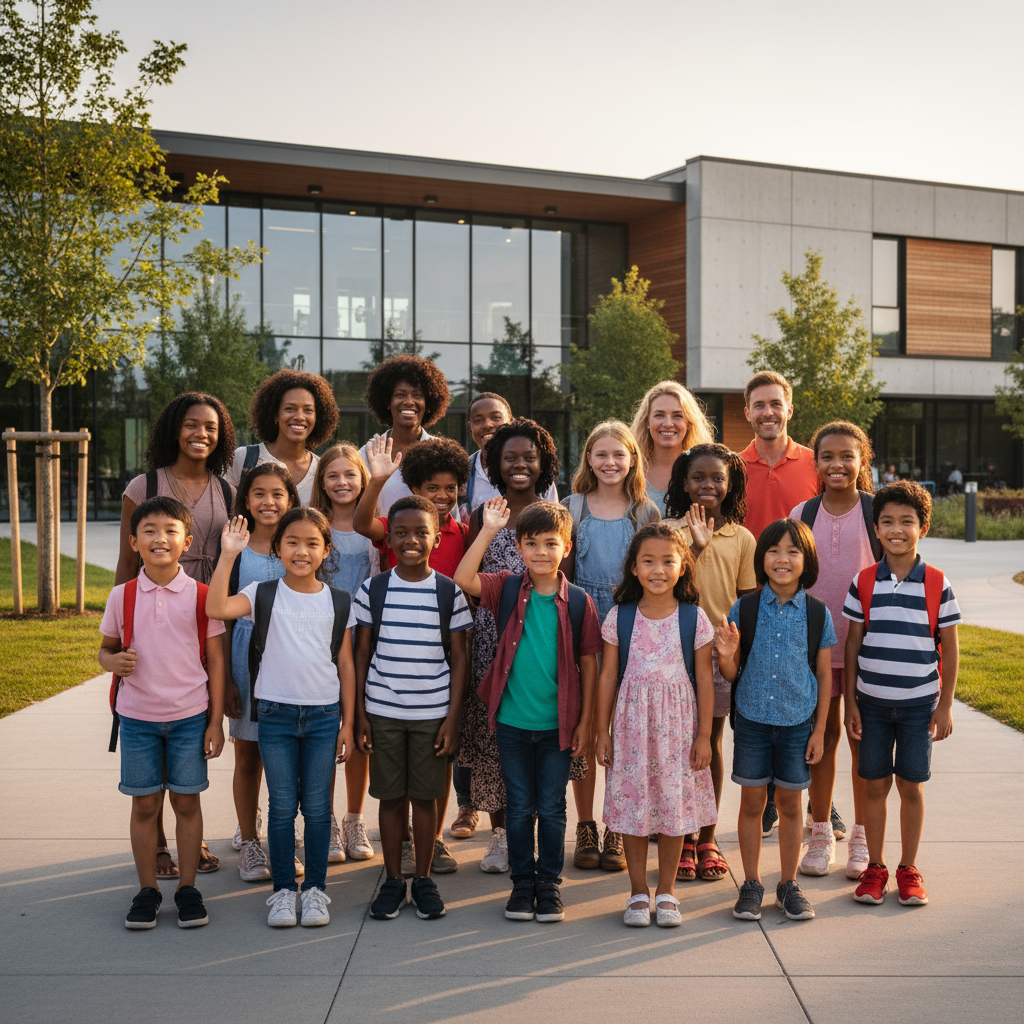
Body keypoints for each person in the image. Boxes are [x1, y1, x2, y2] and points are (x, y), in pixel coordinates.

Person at [207, 508, 358, 929]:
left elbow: (345, 664)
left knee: (316, 808)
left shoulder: (339, 601)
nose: (302, 551)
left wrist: (348, 721)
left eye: (312, 543)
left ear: (326, 550)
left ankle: (314, 891)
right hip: (274, 715)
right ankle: (282, 893)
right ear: (278, 548)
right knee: (279, 809)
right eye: (292, 542)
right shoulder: (261, 593)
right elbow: (217, 606)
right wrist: (227, 556)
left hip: (324, 717)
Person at [455, 499, 601, 924]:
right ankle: (522, 886)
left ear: (567, 548)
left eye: (550, 543)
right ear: (518, 548)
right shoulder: (503, 587)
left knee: (553, 807)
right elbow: (463, 578)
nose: (540, 551)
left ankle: (549, 886)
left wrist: (586, 723)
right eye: (531, 543)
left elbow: (589, 662)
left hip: (559, 726)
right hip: (512, 724)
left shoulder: (578, 601)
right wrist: (487, 530)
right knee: (519, 806)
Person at [116, 391, 237, 878]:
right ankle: (159, 847)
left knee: (197, 716)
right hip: (152, 610)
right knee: (153, 732)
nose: (200, 434)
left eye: (210, 427)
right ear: (174, 428)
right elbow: (127, 566)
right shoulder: (143, 485)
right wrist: (125, 626)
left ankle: (193, 839)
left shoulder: (227, 489)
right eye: (191, 424)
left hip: (206, 606)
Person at [100, 496, 226, 930]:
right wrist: (111, 663)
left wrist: (215, 721)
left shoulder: (203, 596)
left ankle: (188, 889)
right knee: (145, 804)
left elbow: (216, 661)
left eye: (170, 530)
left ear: (186, 541)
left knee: (187, 802)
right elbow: (106, 650)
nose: (160, 538)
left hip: (191, 716)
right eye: (149, 531)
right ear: (134, 542)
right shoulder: (123, 595)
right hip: (137, 718)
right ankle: (148, 890)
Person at [352, 434, 471, 874]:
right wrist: (360, 713)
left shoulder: (449, 593)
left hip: (433, 711)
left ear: (436, 539)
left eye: (421, 533)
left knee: (426, 794)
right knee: (389, 797)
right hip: (383, 710)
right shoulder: (373, 590)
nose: (409, 540)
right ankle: (393, 876)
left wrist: (453, 718)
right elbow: (361, 655)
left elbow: (459, 658)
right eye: (399, 533)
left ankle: (422, 876)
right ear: (390, 538)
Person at [843, 481, 962, 907]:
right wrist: (851, 703)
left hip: (917, 707)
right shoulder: (863, 582)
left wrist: (945, 704)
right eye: (888, 521)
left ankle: (908, 867)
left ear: (923, 527)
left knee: (911, 786)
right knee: (873, 785)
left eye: (907, 522)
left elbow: (949, 646)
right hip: (871, 705)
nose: (897, 529)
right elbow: (853, 644)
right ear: (876, 529)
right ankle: (875, 867)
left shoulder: (936, 583)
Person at [593, 524, 717, 928]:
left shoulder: (693, 618)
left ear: (683, 567)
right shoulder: (619, 617)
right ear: (633, 567)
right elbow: (608, 677)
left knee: (672, 809)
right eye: (648, 560)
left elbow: (704, 680)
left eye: (668, 560)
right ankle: (637, 893)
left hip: (678, 731)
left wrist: (703, 736)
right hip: (631, 731)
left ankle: (666, 892)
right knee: (633, 809)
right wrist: (602, 730)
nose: (658, 569)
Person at [715, 518, 836, 923]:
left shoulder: (817, 614)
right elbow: (731, 673)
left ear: (807, 560)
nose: (782, 559)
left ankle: (787, 884)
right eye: (773, 551)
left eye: (793, 551)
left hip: (797, 722)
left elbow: (824, 675)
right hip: (751, 719)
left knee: (789, 804)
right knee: (752, 802)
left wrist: (819, 730)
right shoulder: (744, 607)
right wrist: (727, 653)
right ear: (761, 558)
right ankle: (751, 883)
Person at [459, 418, 562, 874]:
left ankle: (539, 833)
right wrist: (488, 526)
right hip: (491, 644)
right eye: (509, 458)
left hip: (539, 644)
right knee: (496, 743)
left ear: (543, 464)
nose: (519, 465)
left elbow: (564, 580)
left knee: (538, 742)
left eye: (528, 457)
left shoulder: (553, 515)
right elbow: (467, 575)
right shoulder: (483, 513)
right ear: (493, 464)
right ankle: (500, 835)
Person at [560, 419, 660, 872]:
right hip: (582, 626)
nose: (610, 462)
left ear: (632, 459)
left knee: (621, 730)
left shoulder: (645, 512)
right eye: (601, 454)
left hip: (628, 627)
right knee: (585, 727)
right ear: (588, 460)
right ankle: (585, 825)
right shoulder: (572, 506)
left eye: (618, 455)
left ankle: (616, 825)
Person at [663, 443, 757, 883]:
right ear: (684, 483)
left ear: (729, 484)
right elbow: (664, 589)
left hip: (718, 655)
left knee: (710, 743)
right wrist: (694, 548)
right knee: (677, 746)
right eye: (698, 477)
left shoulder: (741, 537)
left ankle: (706, 837)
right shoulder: (666, 531)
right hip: (673, 652)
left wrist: (734, 650)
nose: (708, 485)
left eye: (717, 478)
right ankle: (679, 836)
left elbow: (747, 601)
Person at [790, 421, 880, 879]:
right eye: (827, 456)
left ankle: (862, 835)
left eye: (847, 455)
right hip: (815, 650)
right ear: (816, 462)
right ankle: (821, 829)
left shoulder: (875, 511)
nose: (837, 464)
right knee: (821, 739)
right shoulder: (802, 513)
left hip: (865, 648)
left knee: (862, 740)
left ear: (862, 460)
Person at [738, 371, 819, 835]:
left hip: (800, 599)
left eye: (775, 403)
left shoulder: (813, 464)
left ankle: (808, 797)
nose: (767, 412)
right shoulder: (733, 465)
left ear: (789, 409)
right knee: (757, 700)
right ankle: (766, 793)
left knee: (801, 698)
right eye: (758, 405)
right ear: (747, 412)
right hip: (749, 600)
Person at [222, 465, 301, 883]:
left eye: (277, 494)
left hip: (292, 656)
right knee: (248, 753)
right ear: (246, 500)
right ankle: (250, 842)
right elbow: (222, 620)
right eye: (259, 494)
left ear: (291, 499)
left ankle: (284, 834)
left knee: (289, 753)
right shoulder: (236, 547)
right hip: (246, 656)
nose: (268, 502)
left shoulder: (298, 542)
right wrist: (227, 682)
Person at [310, 444, 380, 865]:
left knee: (358, 736)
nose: (341, 483)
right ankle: (328, 820)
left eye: (350, 475)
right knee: (324, 736)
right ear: (321, 482)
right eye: (332, 475)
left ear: (363, 480)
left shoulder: (372, 527)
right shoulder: (314, 525)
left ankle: (355, 819)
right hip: (321, 640)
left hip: (366, 642)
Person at [354, 435, 470, 578]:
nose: (443, 495)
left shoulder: (464, 534)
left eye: (451, 488)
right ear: (415, 490)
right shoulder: (397, 524)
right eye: (433, 488)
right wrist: (377, 481)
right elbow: (361, 525)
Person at [223, 369, 340, 506]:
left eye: (308, 410)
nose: (299, 417)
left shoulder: (322, 470)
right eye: (290, 408)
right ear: (275, 414)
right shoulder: (243, 459)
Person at [360, 354, 451, 516]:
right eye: (400, 395)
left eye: (417, 395)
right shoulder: (369, 453)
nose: (409, 401)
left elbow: (452, 514)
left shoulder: (442, 452)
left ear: (428, 402)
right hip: (380, 539)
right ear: (387, 402)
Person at [460, 392, 559, 520]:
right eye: (478, 420)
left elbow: (555, 525)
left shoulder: (536, 472)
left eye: (496, 417)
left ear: (511, 422)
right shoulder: (463, 473)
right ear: (470, 427)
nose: (487, 424)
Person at [629, 381, 714, 516]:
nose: (668, 424)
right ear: (646, 422)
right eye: (659, 415)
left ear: (689, 423)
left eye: (677, 416)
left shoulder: (705, 472)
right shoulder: (629, 472)